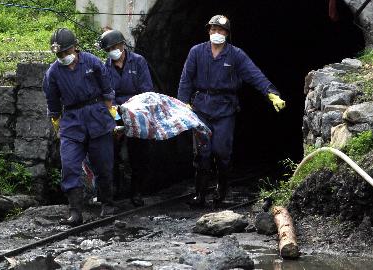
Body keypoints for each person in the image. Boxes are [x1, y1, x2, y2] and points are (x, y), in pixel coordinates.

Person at [177, 15, 286, 207]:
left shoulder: (235, 54)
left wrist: (271, 92)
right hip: (201, 107)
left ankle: (221, 190)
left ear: (226, 34)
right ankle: (200, 194)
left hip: (225, 108)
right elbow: (186, 79)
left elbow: (254, 74)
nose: (216, 33)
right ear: (208, 31)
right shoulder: (196, 52)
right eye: (213, 30)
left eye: (220, 30)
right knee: (202, 153)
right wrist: (182, 103)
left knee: (221, 152)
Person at [43, 27, 116, 225]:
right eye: (59, 54)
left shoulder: (92, 62)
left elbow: (107, 90)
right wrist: (58, 125)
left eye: (66, 52)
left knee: (103, 163)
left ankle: (107, 204)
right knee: (69, 165)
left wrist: (110, 113)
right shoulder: (53, 73)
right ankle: (75, 211)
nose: (63, 56)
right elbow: (53, 104)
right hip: (72, 120)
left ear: (75, 48)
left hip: (97, 115)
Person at [99, 29, 154, 206]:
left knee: (139, 153)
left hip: (137, 110)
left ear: (122, 45)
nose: (113, 51)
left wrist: (132, 109)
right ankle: (113, 189)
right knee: (111, 151)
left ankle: (137, 191)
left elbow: (146, 89)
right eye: (109, 49)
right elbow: (106, 94)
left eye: (115, 46)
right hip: (115, 112)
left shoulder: (138, 62)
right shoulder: (105, 67)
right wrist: (115, 114)